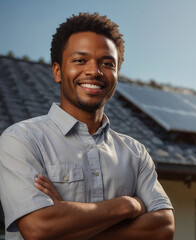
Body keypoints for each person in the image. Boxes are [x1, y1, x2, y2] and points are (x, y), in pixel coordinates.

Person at [0, 12, 174, 239]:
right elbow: (39, 228)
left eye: (107, 63)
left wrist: (68, 226)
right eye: (80, 60)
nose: (94, 71)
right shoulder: (22, 140)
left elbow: (164, 229)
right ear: (57, 71)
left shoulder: (135, 153)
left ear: (117, 74)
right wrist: (127, 206)